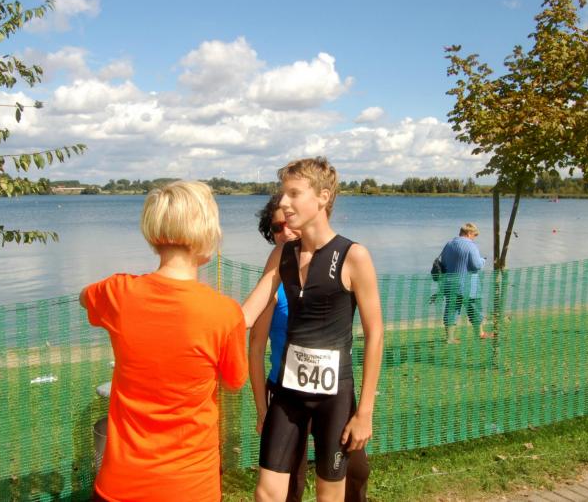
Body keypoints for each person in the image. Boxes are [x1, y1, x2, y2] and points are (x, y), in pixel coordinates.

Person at [79, 181, 248, 502]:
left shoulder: (117, 293)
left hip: (121, 485)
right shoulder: (225, 313)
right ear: (207, 232)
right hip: (191, 488)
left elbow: (85, 297)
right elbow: (233, 381)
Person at [243, 157, 383, 502]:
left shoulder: (353, 255)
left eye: (293, 193)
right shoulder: (282, 255)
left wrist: (364, 412)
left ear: (323, 197)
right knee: (267, 493)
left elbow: (375, 334)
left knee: (328, 495)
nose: (283, 202)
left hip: (334, 398)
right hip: (287, 394)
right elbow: (247, 315)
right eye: (283, 193)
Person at [438, 222, 490, 344]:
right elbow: (476, 265)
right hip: (469, 285)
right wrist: (483, 260)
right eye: (475, 235)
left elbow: (443, 263)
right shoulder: (471, 246)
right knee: (474, 309)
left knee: (451, 310)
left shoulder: (449, 244)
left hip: (450, 283)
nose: (474, 238)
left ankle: (450, 338)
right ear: (469, 233)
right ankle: (480, 333)